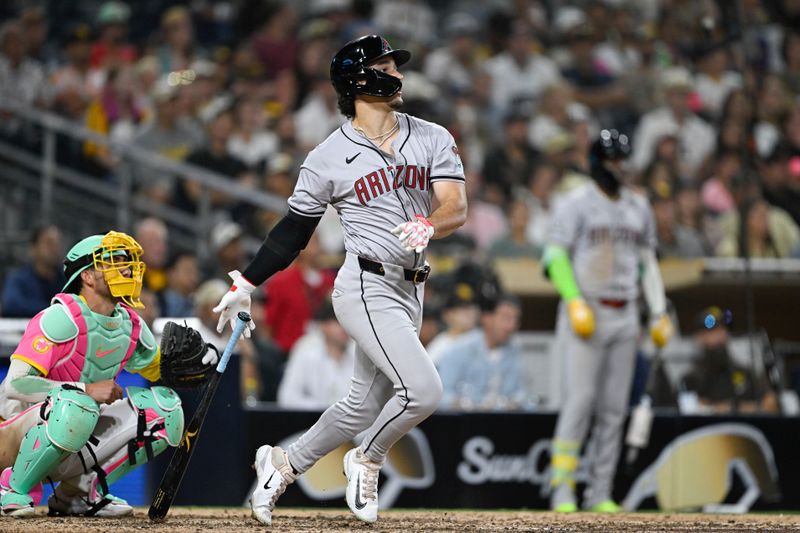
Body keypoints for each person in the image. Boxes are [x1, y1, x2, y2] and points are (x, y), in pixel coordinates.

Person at [212, 35, 467, 525]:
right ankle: (367, 457)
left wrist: (432, 223)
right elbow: (293, 231)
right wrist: (247, 281)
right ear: (358, 79)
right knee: (423, 391)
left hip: (412, 285)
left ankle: (282, 464)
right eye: (386, 65)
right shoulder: (328, 155)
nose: (398, 74)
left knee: (358, 405)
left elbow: (455, 204)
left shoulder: (432, 134)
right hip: (365, 283)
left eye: (395, 65)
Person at [0, 231, 217, 517]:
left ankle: (77, 494)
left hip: (73, 432)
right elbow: (15, 385)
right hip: (13, 438)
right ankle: (12, 488)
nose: (127, 268)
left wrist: (194, 363)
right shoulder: (60, 317)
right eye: (114, 261)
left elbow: (161, 371)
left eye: (127, 261)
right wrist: (85, 389)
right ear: (88, 276)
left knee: (166, 411)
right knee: (79, 403)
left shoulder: (131, 324)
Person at [543, 129, 673, 513]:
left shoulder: (638, 206)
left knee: (615, 409)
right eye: (615, 160)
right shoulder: (576, 203)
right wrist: (574, 301)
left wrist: (659, 309)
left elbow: (648, 264)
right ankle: (562, 489)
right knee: (579, 402)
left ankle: (599, 492)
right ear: (599, 163)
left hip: (625, 312)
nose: (622, 167)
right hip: (588, 309)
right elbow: (554, 257)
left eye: (625, 160)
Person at [437, 294, 528, 411]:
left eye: (515, 319)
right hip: (464, 423)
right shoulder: (459, 349)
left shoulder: (514, 350)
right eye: (505, 318)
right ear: (486, 318)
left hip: (502, 423)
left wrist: (515, 402)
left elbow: (521, 394)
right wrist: (461, 403)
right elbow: (441, 396)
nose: (511, 326)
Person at [680, 307, 778, 414]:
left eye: (724, 328)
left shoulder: (744, 371)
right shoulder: (691, 378)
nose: (721, 334)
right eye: (713, 330)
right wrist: (714, 409)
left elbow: (771, 403)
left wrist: (733, 408)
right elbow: (690, 410)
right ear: (699, 336)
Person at [277, 301, 355, 410]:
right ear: (323, 326)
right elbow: (287, 397)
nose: (345, 327)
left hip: (352, 422)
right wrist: (325, 410)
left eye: (348, 321)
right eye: (338, 322)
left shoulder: (359, 352)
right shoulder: (306, 349)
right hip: (312, 422)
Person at [1, 225, 65, 318]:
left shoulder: (66, 279)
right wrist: (55, 309)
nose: (54, 249)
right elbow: (11, 306)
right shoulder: (18, 279)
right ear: (33, 248)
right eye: (49, 243)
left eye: (57, 244)